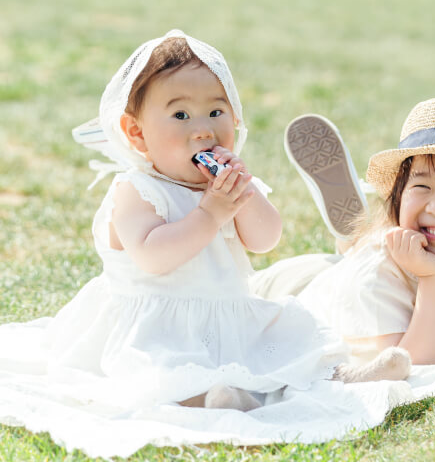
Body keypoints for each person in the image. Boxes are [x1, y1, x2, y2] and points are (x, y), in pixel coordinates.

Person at [0, 30, 413, 455]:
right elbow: (153, 256)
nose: (203, 131)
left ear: (234, 119)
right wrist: (209, 214)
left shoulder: (225, 187)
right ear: (136, 133)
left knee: (291, 342)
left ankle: (339, 377)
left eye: (216, 111)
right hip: (158, 325)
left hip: (228, 316)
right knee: (164, 372)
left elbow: (266, 239)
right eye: (181, 116)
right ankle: (209, 400)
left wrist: (243, 196)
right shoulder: (136, 190)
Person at [251, 98, 435, 365]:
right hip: (287, 291)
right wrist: (432, 277)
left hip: (339, 273)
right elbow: (412, 366)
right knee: (353, 262)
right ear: (398, 193)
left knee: (349, 260)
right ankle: (356, 240)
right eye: (421, 187)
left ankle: (352, 238)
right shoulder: (378, 271)